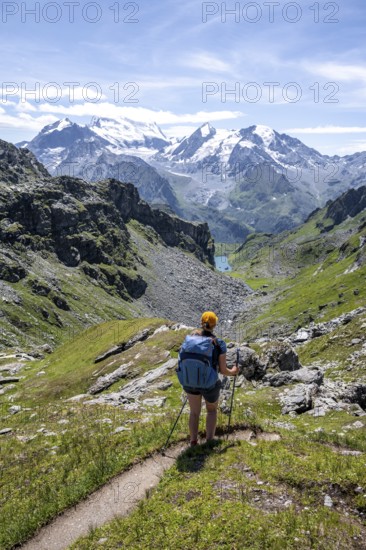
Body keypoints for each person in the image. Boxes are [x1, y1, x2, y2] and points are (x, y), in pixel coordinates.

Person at [183, 311, 238, 446]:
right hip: (209, 383)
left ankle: (193, 442)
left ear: (202, 322)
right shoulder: (219, 343)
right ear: (214, 325)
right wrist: (234, 371)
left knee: (194, 412)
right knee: (211, 410)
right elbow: (224, 370)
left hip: (191, 381)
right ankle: (209, 441)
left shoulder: (191, 339)